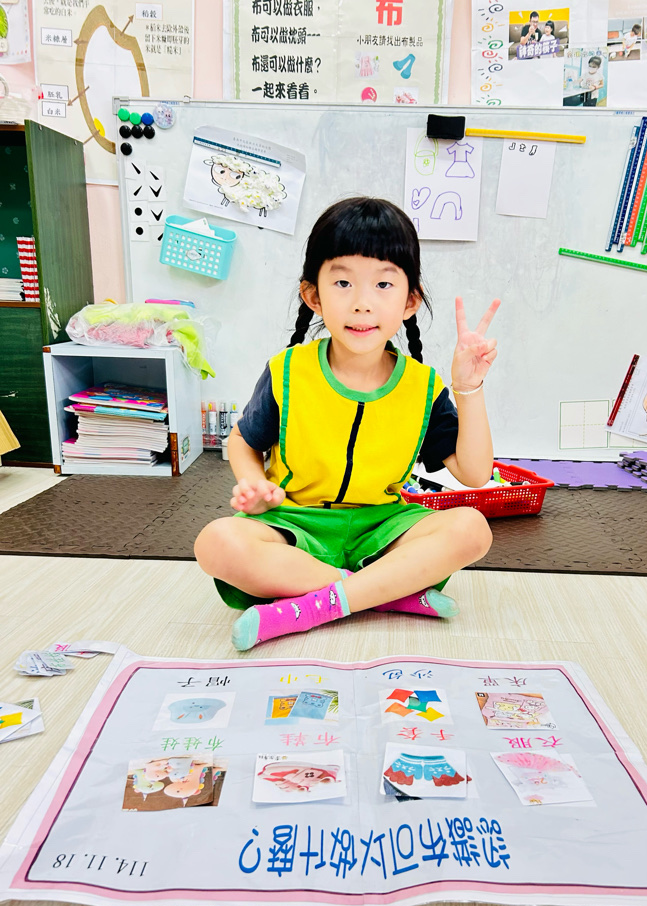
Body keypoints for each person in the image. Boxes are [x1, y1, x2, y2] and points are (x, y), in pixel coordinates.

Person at [194, 197, 499, 650]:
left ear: (410, 300)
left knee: (472, 528)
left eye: (383, 284)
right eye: (342, 282)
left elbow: (474, 473)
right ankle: (387, 593)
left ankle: (314, 605)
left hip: (383, 529)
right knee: (216, 542)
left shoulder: (423, 386)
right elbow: (242, 441)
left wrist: (468, 387)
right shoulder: (289, 371)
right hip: (294, 524)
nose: (362, 303)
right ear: (313, 296)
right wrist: (254, 484)